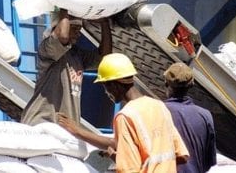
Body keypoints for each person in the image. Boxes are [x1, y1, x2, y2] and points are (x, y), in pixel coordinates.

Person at [58, 53, 189, 173]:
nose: (106, 92)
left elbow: (129, 169)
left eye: (105, 86)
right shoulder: (160, 106)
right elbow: (181, 156)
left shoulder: (125, 116)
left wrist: (119, 159)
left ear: (114, 84)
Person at [21, 8, 112, 125]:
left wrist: (104, 23)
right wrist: (64, 6)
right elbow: (63, 37)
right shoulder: (48, 48)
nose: (78, 34)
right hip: (43, 124)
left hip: (66, 129)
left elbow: (104, 58)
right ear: (57, 27)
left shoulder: (77, 55)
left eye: (79, 29)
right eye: (74, 28)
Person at [163, 62, 216, 173]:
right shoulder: (205, 116)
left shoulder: (158, 111)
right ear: (191, 85)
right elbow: (210, 162)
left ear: (166, 83)